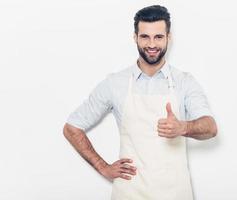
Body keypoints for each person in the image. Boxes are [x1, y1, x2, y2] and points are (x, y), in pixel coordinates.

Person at [63, 5, 218, 200]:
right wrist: (102, 167)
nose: (152, 44)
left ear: (169, 38)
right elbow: (72, 127)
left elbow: (211, 128)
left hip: (175, 192)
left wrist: (183, 127)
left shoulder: (184, 82)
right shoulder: (115, 83)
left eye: (158, 37)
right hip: (129, 192)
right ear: (135, 37)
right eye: (145, 36)